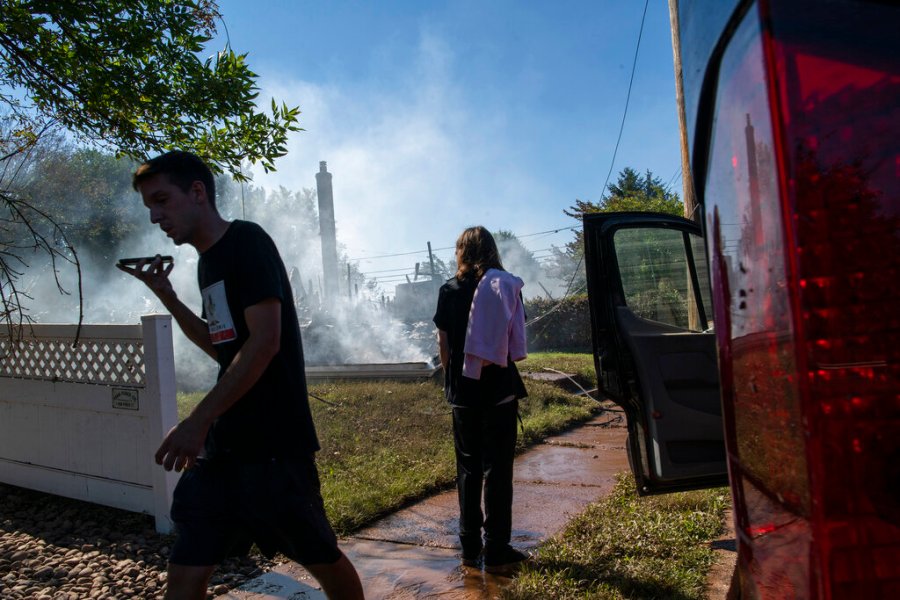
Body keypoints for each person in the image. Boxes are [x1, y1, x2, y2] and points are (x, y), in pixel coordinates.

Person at [118, 151, 364, 600]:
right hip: (226, 449)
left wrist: (199, 420)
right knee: (190, 556)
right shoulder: (208, 263)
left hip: (273, 446)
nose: (155, 217)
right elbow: (224, 347)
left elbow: (265, 342)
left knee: (319, 555)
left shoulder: (246, 243)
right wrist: (168, 297)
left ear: (197, 192)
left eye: (161, 200)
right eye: (149, 207)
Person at [432, 225, 529, 573]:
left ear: (460, 251)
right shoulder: (505, 286)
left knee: (468, 469)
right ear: (491, 250)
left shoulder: (449, 290)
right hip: (499, 390)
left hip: (463, 392)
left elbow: (444, 345)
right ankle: (498, 548)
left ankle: (469, 547)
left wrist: (451, 379)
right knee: (498, 470)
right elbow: (515, 331)